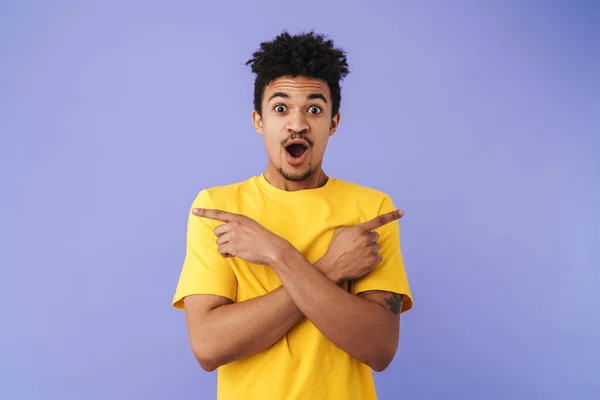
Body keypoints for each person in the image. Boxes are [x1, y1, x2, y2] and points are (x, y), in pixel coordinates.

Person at [172, 30, 413, 400]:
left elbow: (379, 348)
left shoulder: (372, 210)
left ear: (333, 123)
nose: (297, 123)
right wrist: (331, 268)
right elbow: (208, 345)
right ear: (259, 121)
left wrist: (276, 253)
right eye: (280, 108)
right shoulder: (218, 210)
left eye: (314, 109)